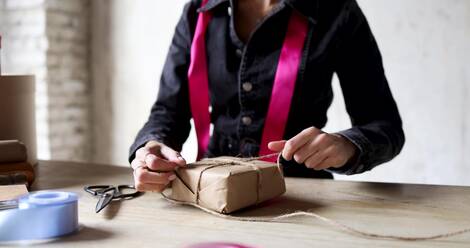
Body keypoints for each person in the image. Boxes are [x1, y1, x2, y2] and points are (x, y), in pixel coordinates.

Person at [129, 0, 405, 192]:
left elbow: (385, 125)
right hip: (209, 189)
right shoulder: (197, 12)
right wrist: (152, 147)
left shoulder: (337, 12)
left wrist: (347, 145)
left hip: (300, 195)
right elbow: (167, 112)